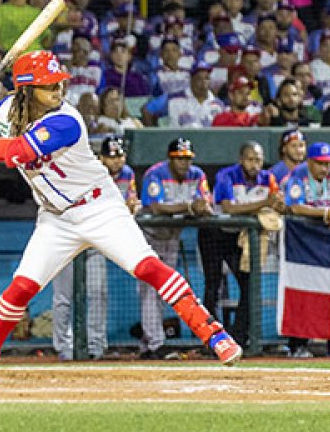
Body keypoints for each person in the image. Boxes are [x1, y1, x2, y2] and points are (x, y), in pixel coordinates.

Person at [0, 51, 243, 375]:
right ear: (26, 90)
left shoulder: (65, 120)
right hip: (55, 218)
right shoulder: (11, 109)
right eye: (48, 85)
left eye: (58, 83)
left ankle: (215, 335)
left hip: (99, 208)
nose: (57, 90)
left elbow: (16, 152)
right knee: (22, 287)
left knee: (148, 267)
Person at [50, 136, 139, 361]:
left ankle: (95, 345)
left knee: (98, 294)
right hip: (66, 239)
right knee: (63, 297)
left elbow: (129, 203)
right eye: (111, 157)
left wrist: (130, 208)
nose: (117, 161)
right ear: (100, 158)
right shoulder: (87, 171)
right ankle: (64, 347)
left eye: (120, 156)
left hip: (94, 242)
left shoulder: (127, 174)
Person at [134, 137, 216, 358]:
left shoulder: (197, 175)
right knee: (149, 290)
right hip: (149, 236)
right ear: (170, 159)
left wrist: (202, 208)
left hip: (172, 237)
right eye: (179, 159)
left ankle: (149, 343)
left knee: (163, 290)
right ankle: (155, 343)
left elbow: (205, 204)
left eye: (187, 159)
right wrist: (190, 207)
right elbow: (156, 207)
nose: (184, 163)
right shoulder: (156, 173)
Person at [212, 141, 283, 345]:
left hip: (241, 237)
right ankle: (211, 339)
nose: (254, 164)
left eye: (258, 160)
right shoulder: (226, 175)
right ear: (241, 160)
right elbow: (229, 208)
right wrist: (264, 203)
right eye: (250, 159)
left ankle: (238, 338)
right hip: (216, 234)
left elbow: (277, 202)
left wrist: (278, 204)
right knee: (212, 287)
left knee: (249, 286)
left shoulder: (268, 178)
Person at [283, 142, 330, 358]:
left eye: (328, 164)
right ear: (310, 162)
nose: (325, 168)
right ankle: (298, 344)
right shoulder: (298, 175)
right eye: (320, 164)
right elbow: (295, 206)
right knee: (303, 293)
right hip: (300, 241)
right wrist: (327, 213)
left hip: (326, 241)